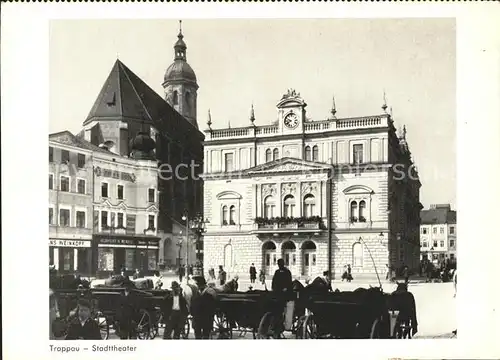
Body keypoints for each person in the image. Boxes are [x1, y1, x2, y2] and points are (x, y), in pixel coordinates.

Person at [271, 259, 293, 338]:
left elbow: (289, 283)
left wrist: (286, 288)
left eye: (280, 264)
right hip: (277, 293)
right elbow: (273, 282)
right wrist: (273, 289)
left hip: (284, 295)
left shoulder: (287, 272)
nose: (279, 265)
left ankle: (279, 325)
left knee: (280, 310)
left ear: (283, 264)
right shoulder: (277, 272)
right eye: (278, 264)